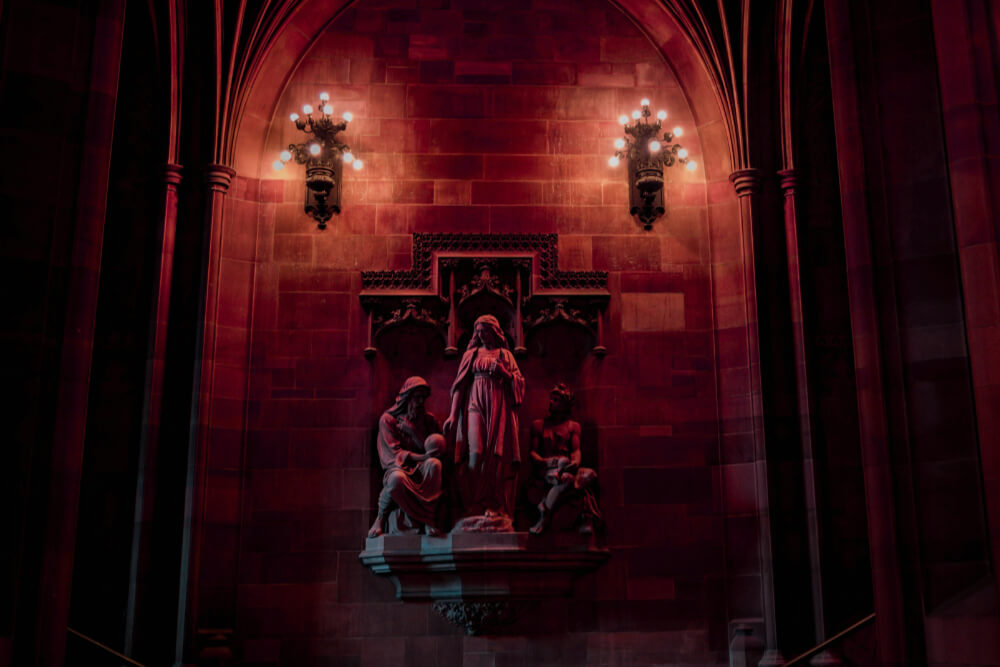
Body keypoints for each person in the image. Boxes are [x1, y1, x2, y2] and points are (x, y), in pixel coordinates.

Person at [443, 314, 525, 524]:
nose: (481, 335)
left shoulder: (505, 355)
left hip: (499, 405)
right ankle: (473, 503)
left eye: (485, 331)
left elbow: (519, 384)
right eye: (478, 331)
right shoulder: (471, 354)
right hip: (475, 402)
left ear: (495, 332)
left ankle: (494, 503)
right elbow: (459, 386)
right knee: (476, 452)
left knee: (496, 455)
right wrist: (452, 414)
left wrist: (504, 373)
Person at [367, 377, 447, 537]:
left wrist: (413, 433)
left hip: (421, 468)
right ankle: (381, 518)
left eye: (423, 398)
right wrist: (423, 457)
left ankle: (428, 519)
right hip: (398, 467)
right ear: (407, 398)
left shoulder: (428, 421)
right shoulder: (388, 420)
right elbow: (394, 456)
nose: (420, 402)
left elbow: (434, 450)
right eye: (417, 397)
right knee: (396, 479)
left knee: (435, 465)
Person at [528, 383, 600, 534]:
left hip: (565, 468)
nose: (551, 402)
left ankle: (548, 505)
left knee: (589, 474)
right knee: (567, 479)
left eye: (556, 400)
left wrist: (575, 463)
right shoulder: (538, 425)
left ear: (565, 405)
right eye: (551, 399)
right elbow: (532, 453)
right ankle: (545, 516)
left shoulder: (573, 427)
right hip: (546, 468)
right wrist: (546, 462)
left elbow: (576, 451)